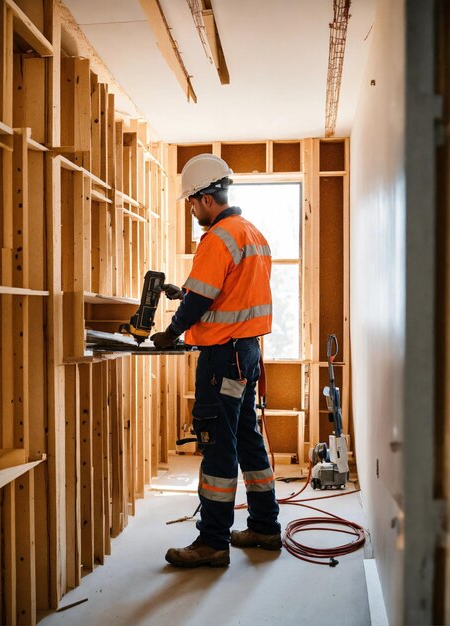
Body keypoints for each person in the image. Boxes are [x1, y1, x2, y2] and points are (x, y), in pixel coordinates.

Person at [151, 154, 281, 568]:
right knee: (246, 440)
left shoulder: (218, 236)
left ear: (207, 198)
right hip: (247, 354)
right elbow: (227, 289)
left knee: (217, 446)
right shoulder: (251, 233)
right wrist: (182, 292)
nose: (192, 211)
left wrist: (171, 332)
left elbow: (206, 297)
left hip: (222, 357)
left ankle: (212, 542)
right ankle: (264, 527)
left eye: (192, 202)